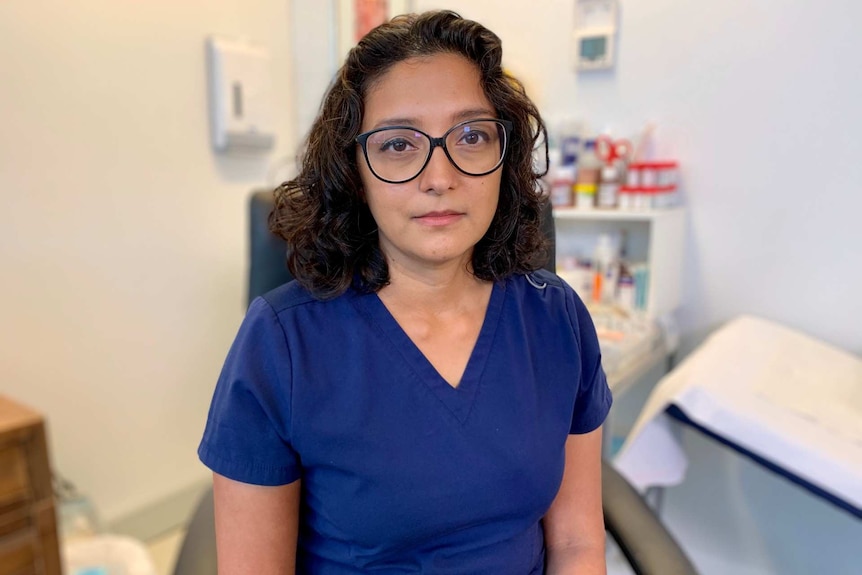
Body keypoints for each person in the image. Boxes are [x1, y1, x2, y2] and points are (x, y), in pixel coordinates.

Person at [199, 10, 612, 575]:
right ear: (354, 169)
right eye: (398, 144)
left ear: (504, 156)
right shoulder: (282, 344)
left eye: (471, 136)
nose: (439, 176)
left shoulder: (556, 319)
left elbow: (577, 544)